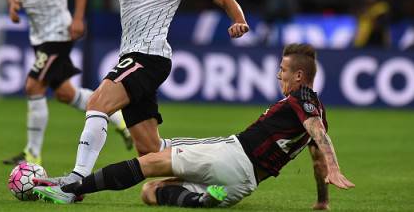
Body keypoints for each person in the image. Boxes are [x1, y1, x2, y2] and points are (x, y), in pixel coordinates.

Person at [21, 0, 249, 184]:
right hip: (131, 55)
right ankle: (214, 159)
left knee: (97, 103)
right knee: (150, 150)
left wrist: (239, 21)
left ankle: (76, 181)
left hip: (151, 57)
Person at [33, 43, 355, 209]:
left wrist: (335, 165)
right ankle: (201, 201)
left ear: (299, 76)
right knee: (150, 193)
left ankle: (72, 190)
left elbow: (316, 131)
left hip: (233, 157)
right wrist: (322, 200)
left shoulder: (304, 100)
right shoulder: (310, 109)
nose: (278, 75)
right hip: (241, 187)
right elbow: (315, 158)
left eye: (283, 70)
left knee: (150, 162)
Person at [2, 0, 132, 166]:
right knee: (64, 93)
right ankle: (117, 119)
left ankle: (32, 154)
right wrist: (12, 4)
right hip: (38, 35)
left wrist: (78, 17)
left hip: (59, 31)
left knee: (33, 86)